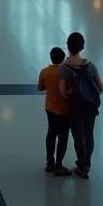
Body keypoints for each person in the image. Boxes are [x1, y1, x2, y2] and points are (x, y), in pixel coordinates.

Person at [58, 32, 103, 179]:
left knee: (79, 137)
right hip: (90, 107)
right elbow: (101, 88)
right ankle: (87, 164)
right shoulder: (91, 66)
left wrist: (74, 91)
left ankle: (82, 165)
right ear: (82, 47)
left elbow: (64, 94)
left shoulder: (64, 68)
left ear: (68, 46)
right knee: (89, 134)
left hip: (76, 108)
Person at [37, 46, 71, 176]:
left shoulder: (45, 71)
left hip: (50, 107)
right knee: (63, 136)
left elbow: (40, 87)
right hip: (64, 109)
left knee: (51, 133)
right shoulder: (66, 72)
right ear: (63, 59)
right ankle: (59, 164)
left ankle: (49, 162)